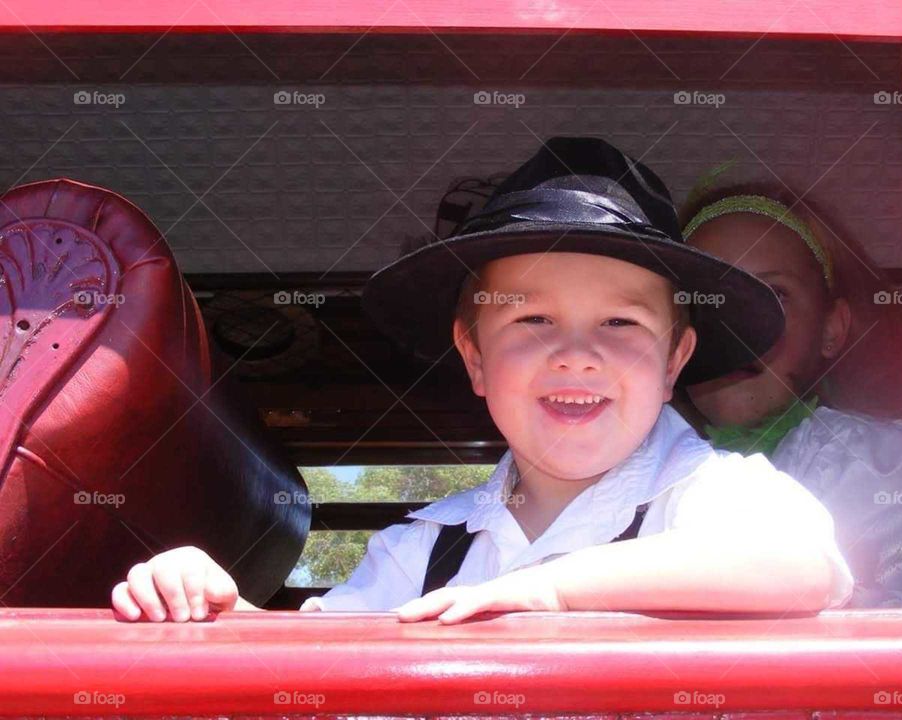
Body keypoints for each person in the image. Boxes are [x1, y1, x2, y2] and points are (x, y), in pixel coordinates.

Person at [111, 136, 854, 625]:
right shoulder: (423, 550)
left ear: (674, 363)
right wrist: (215, 607)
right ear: (473, 357)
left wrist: (554, 586)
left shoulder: (714, 493)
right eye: (531, 322)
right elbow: (307, 669)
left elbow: (798, 567)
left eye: (621, 325)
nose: (577, 354)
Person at [680, 187, 902, 607]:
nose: (735, 327)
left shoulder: (879, 465)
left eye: (773, 295)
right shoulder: (644, 464)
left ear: (831, 330)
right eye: (707, 301)